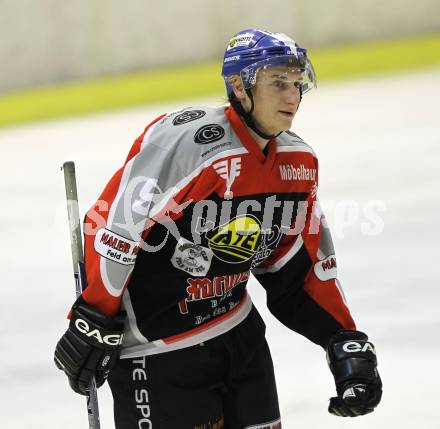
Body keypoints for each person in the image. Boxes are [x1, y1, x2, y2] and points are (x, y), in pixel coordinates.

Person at [54, 29, 382, 428]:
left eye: (297, 83)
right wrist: (95, 313)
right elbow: (115, 223)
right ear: (239, 86)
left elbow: (295, 264)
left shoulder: (297, 163)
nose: (292, 96)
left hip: (239, 338)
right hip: (159, 351)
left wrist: (341, 338)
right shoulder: (187, 143)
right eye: (277, 82)